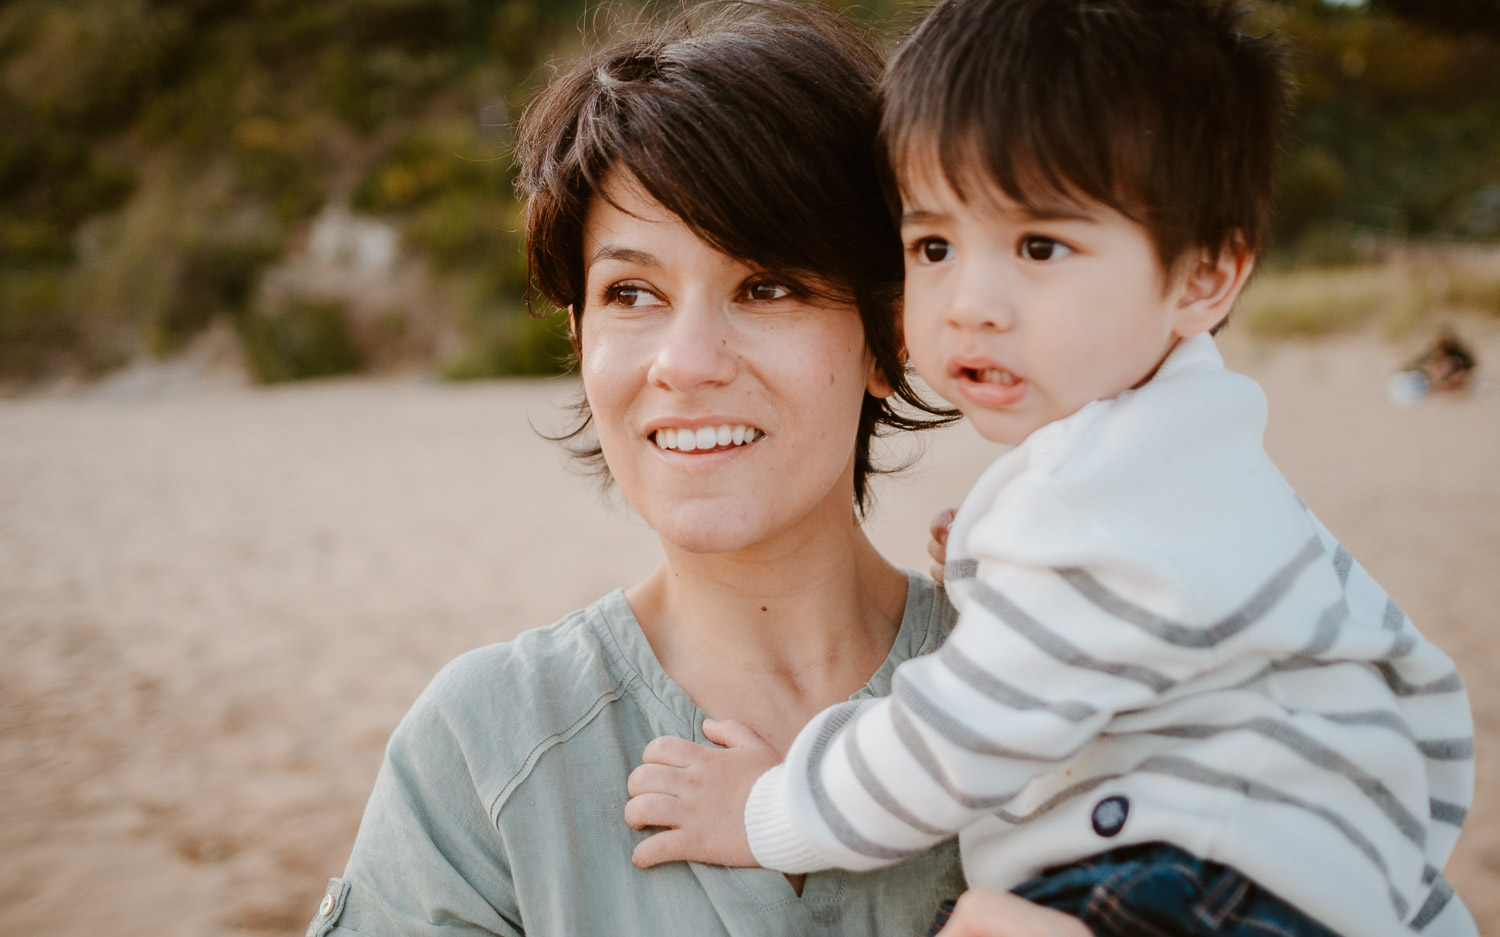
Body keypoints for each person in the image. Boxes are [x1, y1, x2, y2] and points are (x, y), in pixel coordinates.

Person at [623, 1, 1478, 935]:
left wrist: (766, 811)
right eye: (934, 246)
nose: (971, 304)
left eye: (1040, 245)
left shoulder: (1093, 506)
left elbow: (946, 747)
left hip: (1202, 886)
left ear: (1205, 275)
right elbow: (1413, 702)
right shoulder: (1203, 458)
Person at [302, 3, 983, 935]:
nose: (686, 360)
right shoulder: (488, 742)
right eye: (632, 292)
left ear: (888, 332)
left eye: (767, 285)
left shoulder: (1059, 680)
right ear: (580, 337)